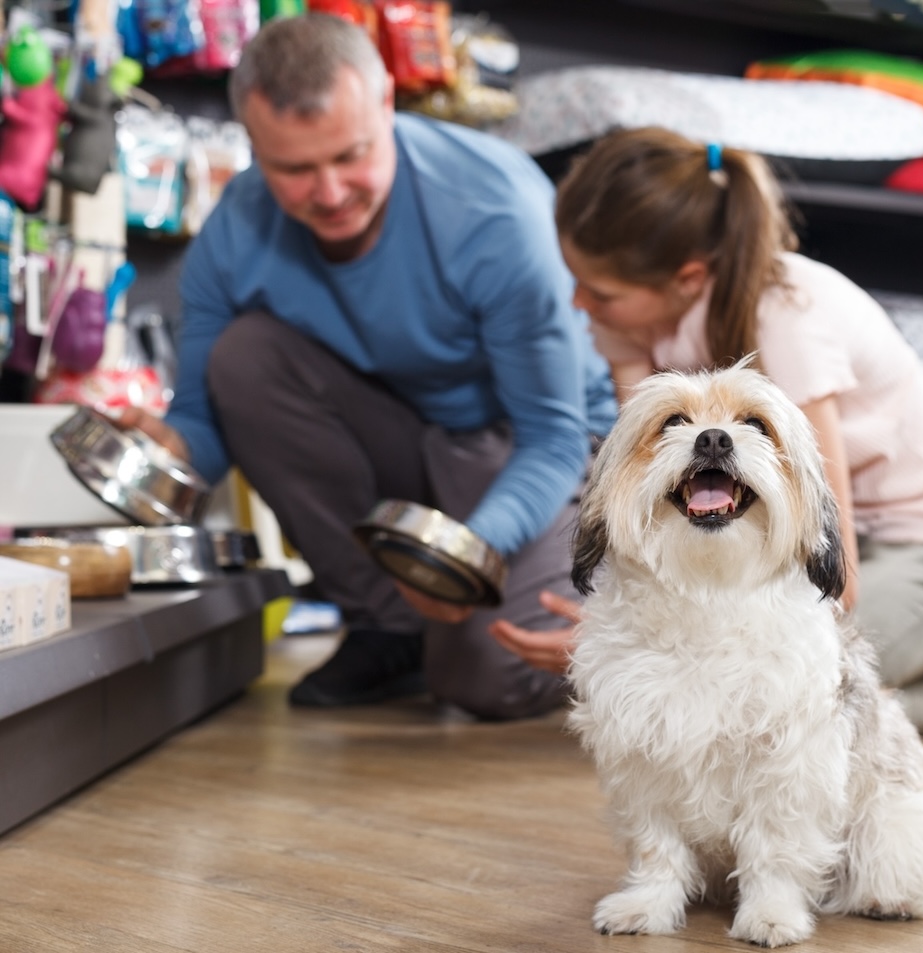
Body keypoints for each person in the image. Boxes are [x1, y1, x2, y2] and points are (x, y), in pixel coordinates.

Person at [120, 14, 617, 720]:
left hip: (524, 448)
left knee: (486, 678)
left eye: (350, 156)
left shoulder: (493, 213)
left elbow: (554, 438)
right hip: (408, 432)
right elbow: (202, 414)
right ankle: (388, 625)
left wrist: (467, 554)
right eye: (293, 168)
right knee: (244, 359)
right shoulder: (235, 228)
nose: (328, 192)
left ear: (386, 103)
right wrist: (168, 451)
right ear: (252, 145)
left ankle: (580, 626)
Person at [494, 127, 923, 735]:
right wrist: (616, 625)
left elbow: (831, 565)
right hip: (773, 541)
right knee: (708, 686)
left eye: (601, 292)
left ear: (686, 278)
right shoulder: (632, 318)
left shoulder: (790, 317)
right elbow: (637, 479)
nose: (579, 304)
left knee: (792, 702)